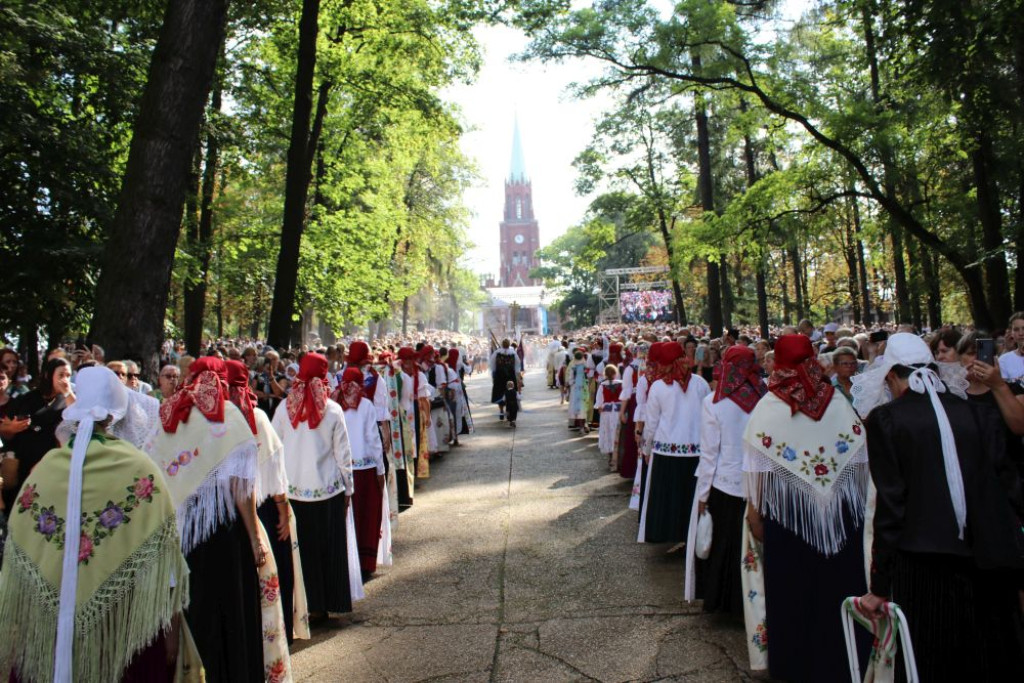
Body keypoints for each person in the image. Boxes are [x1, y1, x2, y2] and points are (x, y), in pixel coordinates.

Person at [0, 366, 193, 682]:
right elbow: (164, 557)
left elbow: (20, 547)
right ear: (117, 413)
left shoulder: (48, 467)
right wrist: (170, 623)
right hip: (122, 628)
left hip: (53, 629)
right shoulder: (140, 470)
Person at [853, 333, 1024, 681]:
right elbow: (1008, 485)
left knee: (931, 656)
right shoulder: (975, 412)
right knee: (986, 655)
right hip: (987, 557)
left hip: (923, 562)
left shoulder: (887, 420)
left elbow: (892, 506)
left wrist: (880, 584)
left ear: (890, 376)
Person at [743, 334, 869, 682]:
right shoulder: (838, 402)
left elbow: (756, 470)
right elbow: (860, 457)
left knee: (792, 593)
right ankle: (843, 661)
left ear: (778, 363)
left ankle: (794, 664)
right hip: (841, 517)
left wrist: (755, 517)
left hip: (787, 519)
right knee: (838, 587)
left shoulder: (768, 407)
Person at [151, 356, 264, 682]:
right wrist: (255, 537)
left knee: (196, 610)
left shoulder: (170, 414)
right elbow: (242, 489)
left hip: (183, 532)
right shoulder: (228, 416)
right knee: (231, 613)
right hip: (224, 532)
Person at [226, 360, 309, 657]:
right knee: (272, 576)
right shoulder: (256, 417)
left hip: (230, 516)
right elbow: (275, 470)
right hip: (263, 510)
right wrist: (284, 509)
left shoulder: (212, 423)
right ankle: (275, 639)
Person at [272, 353, 362, 620]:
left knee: (304, 552)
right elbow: (343, 454)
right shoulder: (333, 410)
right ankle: (328, 603)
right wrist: (349, 489)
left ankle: (307, 606)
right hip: (329, 489)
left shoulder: (284, 408)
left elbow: (274, 447)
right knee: (329, 549)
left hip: (295, 491)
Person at [686, 345, 765, 615]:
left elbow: (709, 453)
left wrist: (703, 495)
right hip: (761, 485)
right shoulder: (765, 398)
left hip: (725, 483)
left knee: (726, 546)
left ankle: (726, 603)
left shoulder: (713, 402)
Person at [638, 341, 710, 545]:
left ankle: (672, 536)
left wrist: (647, 447)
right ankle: (690, 537)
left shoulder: (659, 387)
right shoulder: (700, 384)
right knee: (689, 496)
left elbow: (652, 423)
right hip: (696, 451)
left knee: (670, 498)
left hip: (666, 451)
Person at [2, 358, 75, 512]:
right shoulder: (27, 398)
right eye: (61, 375)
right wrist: (14, 428)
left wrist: (68, 392)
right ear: (49, 375)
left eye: (68, 375)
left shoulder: (67, 400)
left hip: (51, 464)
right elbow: (5, 431)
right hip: (23, 463)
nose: (65, 380)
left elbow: (78, 418)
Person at [337, 367, 388, 580]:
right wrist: (381, 469)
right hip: (365, 469)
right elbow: (373, 439)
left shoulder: (334, 403)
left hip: (342, 469)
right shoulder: (366, 405)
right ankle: (365, 562)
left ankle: (348, 560)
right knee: (366, 516)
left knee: (350, 516)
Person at [594, 365, 622, 470]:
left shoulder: (602, 385)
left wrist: (601, 409)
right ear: (615, 373)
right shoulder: (620, 384)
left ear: (605, 374)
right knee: (617, 433)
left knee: (608, 433)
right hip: (618, 411)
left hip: (607, 412)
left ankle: (611, 457)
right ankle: (618, 457)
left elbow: (599, 402)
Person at [490, 339, 521, 421]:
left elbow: (492, 365)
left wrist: (494, 375)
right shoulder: (513, 353)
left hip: (499, 376)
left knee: (500, 393)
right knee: (510, 394)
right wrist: (518, 377)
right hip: (510, 377)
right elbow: (517, 365)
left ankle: (501, 410)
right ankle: (509, 411)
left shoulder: (497, 353)